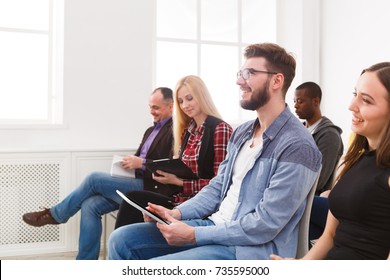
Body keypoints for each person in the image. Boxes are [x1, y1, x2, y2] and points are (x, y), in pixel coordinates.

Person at [108, 42, 322, 260]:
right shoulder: (243, 132)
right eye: (240, 73)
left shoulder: (298, 146)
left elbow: (264, 225)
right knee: (121, 239)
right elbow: (217, 186)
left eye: (249, 73)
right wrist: (177, 213)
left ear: (277, 80)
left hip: (248, 249)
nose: (239, 80)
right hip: (214, 225)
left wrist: (194, 234)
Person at [22, 87, 175, 260]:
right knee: (90, 205)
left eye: (156, 107)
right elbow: (142, 159)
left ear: (171, 107)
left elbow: (169, 166)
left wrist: (142, 163)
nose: (151, 111)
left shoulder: (176, 131)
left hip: (151, 188)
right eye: (150, 106)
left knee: (94, 178)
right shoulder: (150, 130)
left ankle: (57, 215)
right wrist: (131, 162)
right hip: (135, 180)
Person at [271, 62, 390, 260]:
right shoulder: (354, 160)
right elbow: (330, 236)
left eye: (367, 101)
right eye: (355, 94)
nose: (352, 106)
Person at [114, 75, 233, 228]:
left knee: (132, 203)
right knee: (131, 201)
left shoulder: (220, 129)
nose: (185, 105)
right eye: (181, 101)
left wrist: (177, 181)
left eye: (190, 98)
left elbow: (220, 183)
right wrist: (169, 174)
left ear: (202, 96)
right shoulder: (187, 131)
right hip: (179, 197)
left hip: (198, 204)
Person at [293, 82, 344, 244]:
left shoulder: (329, 135)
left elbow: (320, 179)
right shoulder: (298, 131)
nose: (295, 105)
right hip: (297, 194)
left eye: (300, 101)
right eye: (294, 101)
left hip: (315, 197)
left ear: (315, 101)